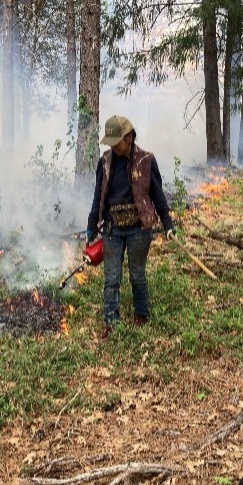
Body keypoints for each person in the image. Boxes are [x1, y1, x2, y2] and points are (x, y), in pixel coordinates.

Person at [86, 115, 175, 338]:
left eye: (118, 141)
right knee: (111, 278)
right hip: (112, 229)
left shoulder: (146, 160)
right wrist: (91, 225)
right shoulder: (104, 162)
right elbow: (99, 196)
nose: (114, 146)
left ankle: (141, 315)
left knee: (137, 275)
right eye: (111, 142)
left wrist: (167, 224)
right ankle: (110, 321)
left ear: (129, 137)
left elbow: (157, 194)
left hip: (139, 228)